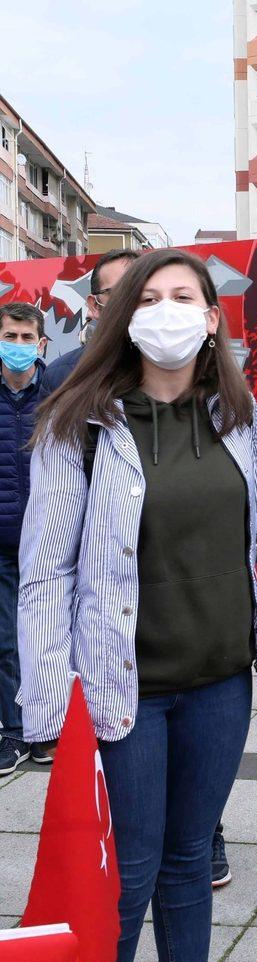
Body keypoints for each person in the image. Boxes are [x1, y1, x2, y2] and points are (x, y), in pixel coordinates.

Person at [19, 249, 257, 962]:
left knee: (189, 859)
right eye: (150, 297)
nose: (167, 310)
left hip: (219, 684)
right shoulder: (77, 424)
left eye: (185, 296)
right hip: (122, 692)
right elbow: (44, 571)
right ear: (124, 316)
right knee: (126, 870)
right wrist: (48, 702)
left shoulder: (234, 416)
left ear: (213, 318)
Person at [0, 303, 49, 775]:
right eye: (9, 336)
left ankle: (48, 729)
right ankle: (14, 733)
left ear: (41, 343)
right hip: (1, 543)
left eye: (25, 338)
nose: (17, 347)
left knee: (49, 636)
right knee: (7, 641)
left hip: (47, 541)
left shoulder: (57, 392)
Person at [39, 248, 139, 400]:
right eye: (119, 292)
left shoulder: (178, 369)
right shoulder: (62, 377)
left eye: (142, 291)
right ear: (95, 306)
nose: (133, 301)